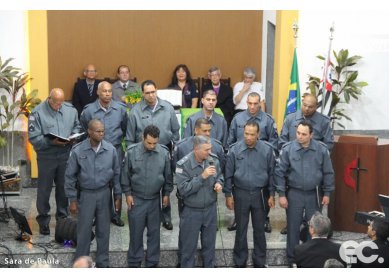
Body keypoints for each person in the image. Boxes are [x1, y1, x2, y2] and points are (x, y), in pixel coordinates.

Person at [274, 121, 335, 266]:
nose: (300, 136)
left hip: (314, 194)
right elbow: (279, 173)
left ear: (311, 135)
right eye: (298, 133)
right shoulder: (288, 149)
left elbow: (328, 172)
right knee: (293, 228)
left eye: (304, 134)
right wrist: (281, 194)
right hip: (294, 193)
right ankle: (292, 260)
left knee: (313, 229)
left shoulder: (321, 150)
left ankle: (310, 260)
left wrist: (327, 193)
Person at [65, 119, 121, 268]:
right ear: (89, 132)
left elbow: (116, 174)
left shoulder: (111, 150)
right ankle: (81, 264)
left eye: (103, 131)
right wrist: (72, 199)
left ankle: (103, 263)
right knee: (83, 232)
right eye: (98, 131)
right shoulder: (78, 150)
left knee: (104, 231)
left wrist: (117, 195)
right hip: (86, 195)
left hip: (104, 194)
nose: (101, 133)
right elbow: (70, 176)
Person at [125, 80, 180, 230]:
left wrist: (173, 149)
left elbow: (176, 131)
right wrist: (132, 156)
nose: (151, 95)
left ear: (157, 91)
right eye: (147, 93)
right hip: (141, 153)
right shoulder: (135, 111)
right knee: (147, 185)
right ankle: (143, 216)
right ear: (143, 94)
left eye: (153, 92)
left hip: (164, 153)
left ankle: (166, 216)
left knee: (166, 184)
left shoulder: (167, 107)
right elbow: (129, 138)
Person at [28, 88, 82, 235]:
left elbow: (77, 125)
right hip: (47, 156)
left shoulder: (70, 110)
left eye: (61, 102)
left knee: (63, 187)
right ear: (49, 99)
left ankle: (62, 217)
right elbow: (34, 138)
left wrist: (73, 136)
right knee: (44, 189)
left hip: (65, 154)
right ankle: (44, 220)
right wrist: (51, 142)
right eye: (56, 103)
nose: (59, 106)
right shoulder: (37, 113)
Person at [278, 93, 334, 235]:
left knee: (313, 222)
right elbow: (282, 141)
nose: (307, 109)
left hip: (313, 170)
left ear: (316, 107)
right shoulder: (290, 119)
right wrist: (291, 152)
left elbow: (328, 145)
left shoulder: (323, 121)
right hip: (293, 168)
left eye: (310, 107)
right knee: (293, 221)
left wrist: (314, 153)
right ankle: (293, 224)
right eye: (305, 105)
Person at [173, 118, 225, 267]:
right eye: (206, 150)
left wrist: (218, 184)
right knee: (188, 250)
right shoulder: (183, 165)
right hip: (191, 211)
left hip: (210, 210)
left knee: (209, 249)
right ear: (196, 149)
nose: (210, 152)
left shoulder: (213, 160)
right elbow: (183, 189)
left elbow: (220, 176)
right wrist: (202, 177)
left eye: (210, 149)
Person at [224, 121, 276, 268]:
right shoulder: (235, 150)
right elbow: (228, 174)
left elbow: (272, 173)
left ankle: (259, 261)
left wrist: (272, 194)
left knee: (260, 229)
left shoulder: (266, 150)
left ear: (258, 135)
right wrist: (228, 195)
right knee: (241, 228)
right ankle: (240, 261)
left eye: (252, 134)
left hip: (261, 194)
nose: (248, 137)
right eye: (246, 133)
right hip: (240, 193)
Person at [121, 125, 173, 268]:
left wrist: (167, 193)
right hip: (136, 199)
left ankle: (152, 262)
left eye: (154, 143)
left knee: (154, 233)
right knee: (136, 233)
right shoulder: (132, 152)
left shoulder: (163, 153)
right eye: (149, 142)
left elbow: (168, 175)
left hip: (155, 199)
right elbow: (125, 175)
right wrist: (127, 194)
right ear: (143, 138)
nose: (151, 146)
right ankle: (134, 262)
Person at [227, 92, 278, 232]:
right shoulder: (238, 119)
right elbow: (230, 141)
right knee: (239, 190)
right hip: (240, 159)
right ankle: (238, 218)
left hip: (261, 159)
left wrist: (263, 152)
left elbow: (274, 143)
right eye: (249, 103)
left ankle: (264, 218)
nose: (252, 106)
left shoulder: (268, 120)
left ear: (260, 103)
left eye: (256, 103)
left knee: (262, 194)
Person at [80, 81, 128, 227]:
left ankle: (116, 215)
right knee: (98, 183)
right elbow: (84, 128)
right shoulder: (89, 111)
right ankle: (97, 215)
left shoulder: (120, 109)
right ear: (98, 92)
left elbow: (125, 128)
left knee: (116, 182)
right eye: (104, 91)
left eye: (110, 91)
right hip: (96, 151)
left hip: (115, 150)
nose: (107, 94)